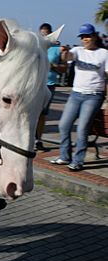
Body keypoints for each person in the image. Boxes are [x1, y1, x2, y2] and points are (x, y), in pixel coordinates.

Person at [50, 23, 108, 171]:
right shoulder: (77, 50)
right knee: (64, 125)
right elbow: (68, 56)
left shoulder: (104, 53)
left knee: (82, 128)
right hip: (76, 94)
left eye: (87, 36)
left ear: (94, 36)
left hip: (94, 95)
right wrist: (64, 52)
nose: (85, 39)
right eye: (82, 37)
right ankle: (64, 156)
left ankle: (78, 161)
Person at [35, 23, 68, 151]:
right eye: (42, 34)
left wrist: (52, 66)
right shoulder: (35, 47)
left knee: (43, 114)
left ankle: (38, 140)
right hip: (35, 84)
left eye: (46, 34)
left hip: (50, 85)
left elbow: (64, 69)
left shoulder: (57, 49)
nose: (44, 36)